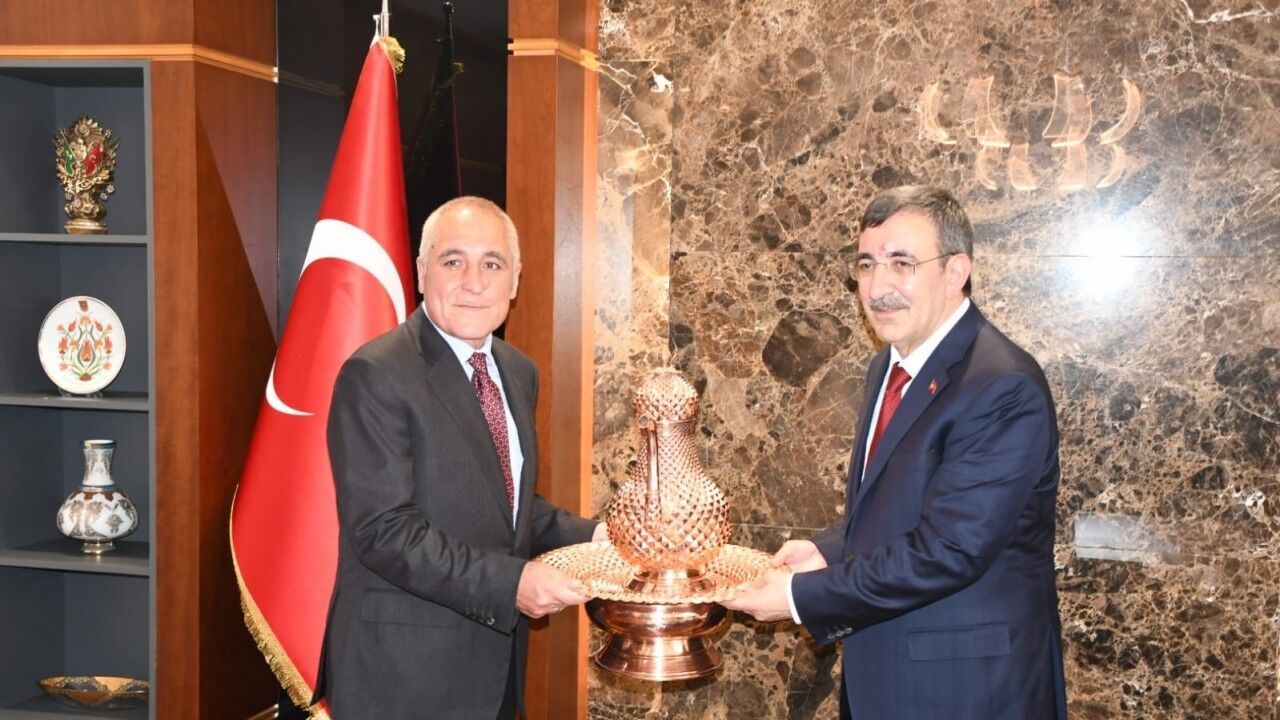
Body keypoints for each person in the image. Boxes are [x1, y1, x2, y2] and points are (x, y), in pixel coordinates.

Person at [725, 186, 1067, 719]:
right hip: (882, 677)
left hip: (967, 692)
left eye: (902, 264)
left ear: (955, 272)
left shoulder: (1002, 386)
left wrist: (798, 596)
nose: (878, 287)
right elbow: (899, 503)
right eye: (866, 265)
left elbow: (949, 549)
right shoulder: (887, 365)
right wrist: (829, 550)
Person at [316, 196, 606, 719]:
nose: (474, 282)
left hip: (495, 675)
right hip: (403, 678)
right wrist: (511, 584)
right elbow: (384, 531)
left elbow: (509, 507)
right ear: (421, 272)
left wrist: (600, 540)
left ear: (515, 280)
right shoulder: (376, 374)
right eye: (453, 261)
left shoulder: (518, 371)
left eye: (492, 264)